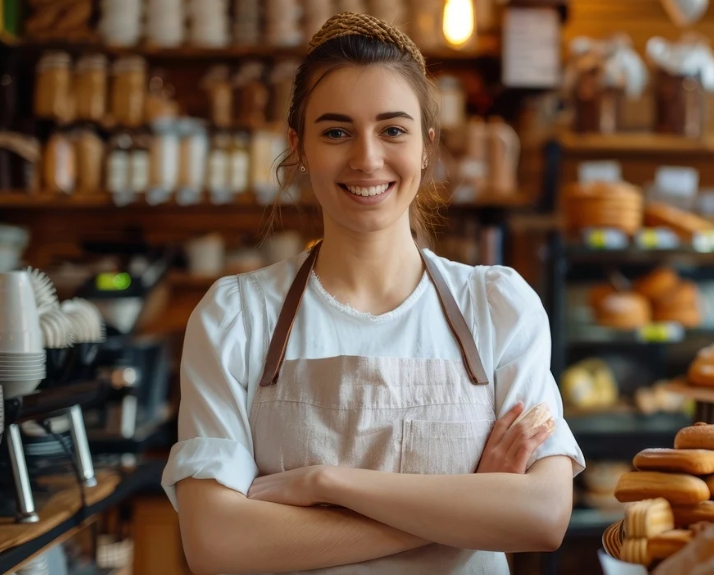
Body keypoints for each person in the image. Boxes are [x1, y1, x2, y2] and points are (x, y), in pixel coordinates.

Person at [159, 11, 586, 575]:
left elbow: (543, 516)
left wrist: (324, 482)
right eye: (336, 131)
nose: (366, 158)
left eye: (393, 129)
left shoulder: (498, 308)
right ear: (299, 146)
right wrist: (470, 507)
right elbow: (217, 544)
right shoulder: (237, 316)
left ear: (427, 146)